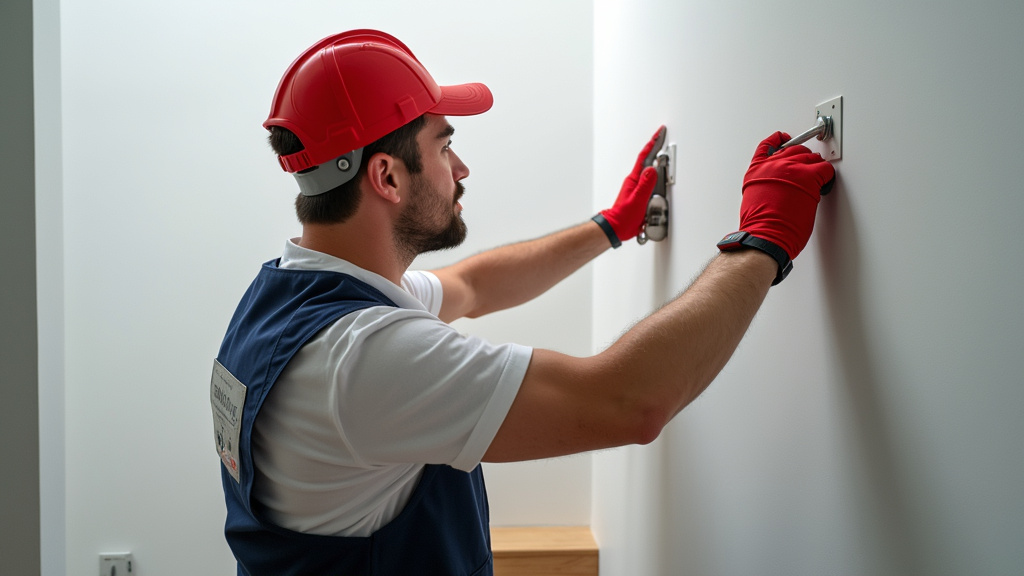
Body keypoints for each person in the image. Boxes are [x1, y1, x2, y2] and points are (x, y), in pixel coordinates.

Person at [211, 29, 835, 576]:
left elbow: (474, 286)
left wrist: (611, 226)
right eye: (443, 145)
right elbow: (628, 403)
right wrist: (761, 242)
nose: (461, 167)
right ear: (388, 177)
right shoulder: (363, 358)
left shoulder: (292, 297)